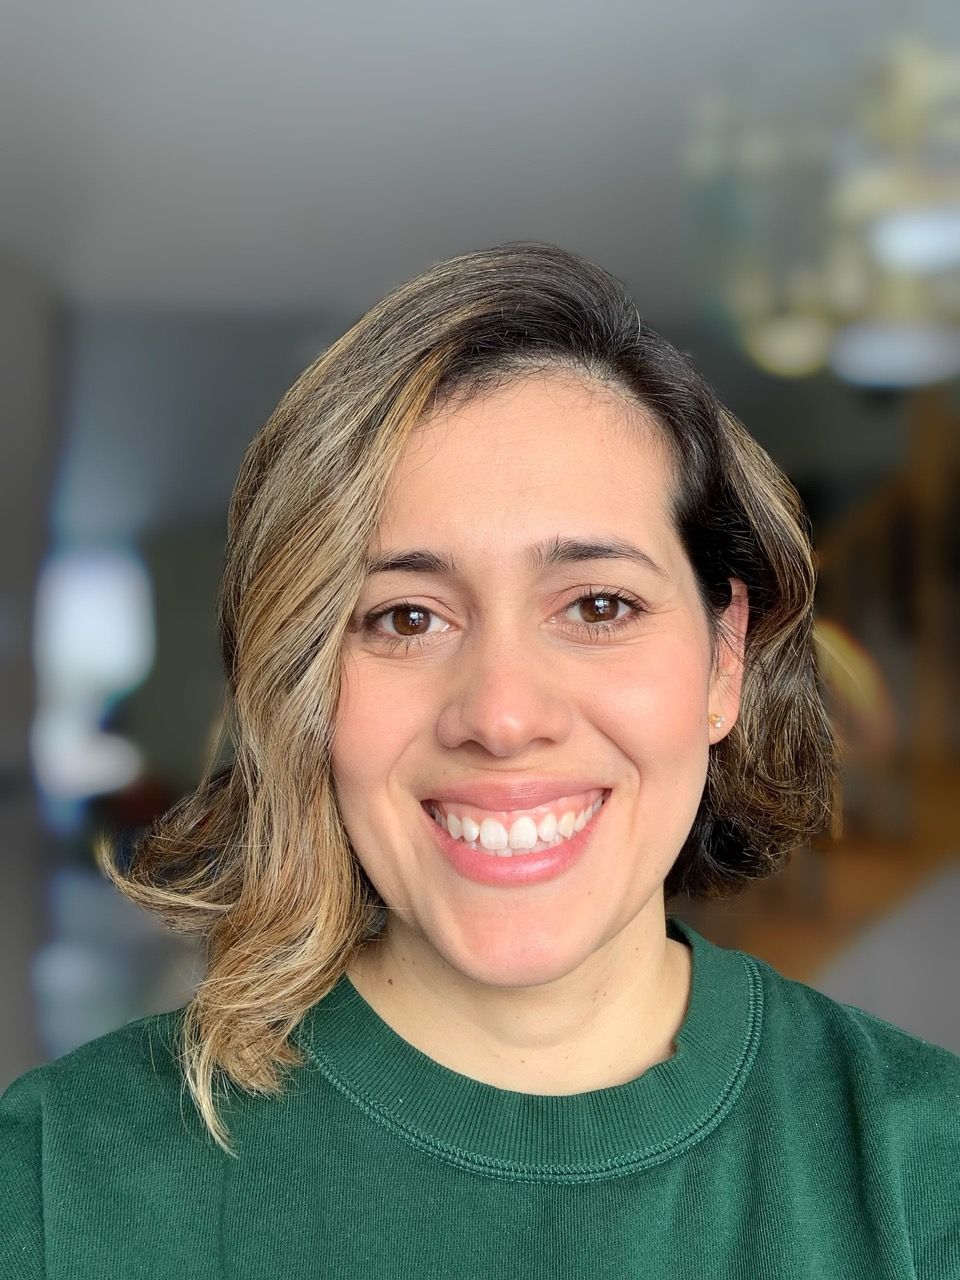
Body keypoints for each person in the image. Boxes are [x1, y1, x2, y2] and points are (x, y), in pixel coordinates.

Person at [2, 242, 958, 1278]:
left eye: (599, 605)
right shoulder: (60, 1179)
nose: (502, 715)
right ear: (307, 683)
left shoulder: (925, 1171)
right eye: (406, 616)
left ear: (724, 660)